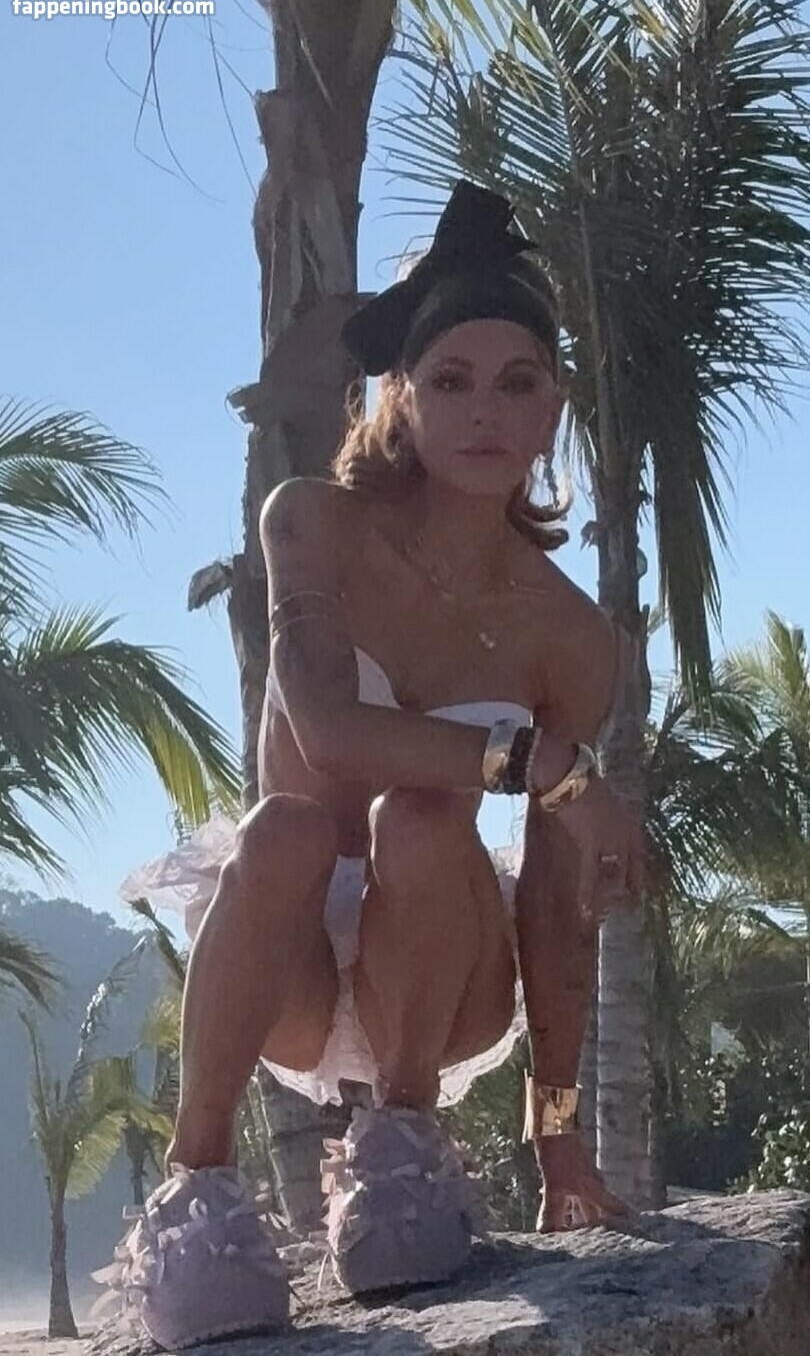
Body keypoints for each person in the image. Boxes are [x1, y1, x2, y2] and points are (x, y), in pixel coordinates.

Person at [93, 180, 643, 1351]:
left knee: (426, 816)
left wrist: (557, 1132)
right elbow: (329, 732)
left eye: (518, 382)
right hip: (286, 953)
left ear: (552, 408)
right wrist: (551, 765)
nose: (485, 410)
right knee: (286, 824)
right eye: (451, 380)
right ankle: (198, 1198)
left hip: (438, 973)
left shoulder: (571, 633)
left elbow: (554, 903)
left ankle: (402, 1148)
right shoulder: (311, 522)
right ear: (403, 395)